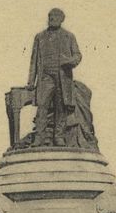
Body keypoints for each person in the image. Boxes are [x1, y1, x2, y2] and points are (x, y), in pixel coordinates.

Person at [27, 8, 82, 146]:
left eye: (56, 16)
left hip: (63, 77)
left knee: (61, 107)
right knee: (42, 106)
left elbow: (77, 56)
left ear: (62, 19)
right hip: (45, 77)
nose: (52, 18)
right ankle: (39, 137)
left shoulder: (69, 36)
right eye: (50, 16)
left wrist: (68, 61)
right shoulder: (40, 37)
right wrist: (30, 81)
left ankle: (59, 136)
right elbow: (34, 60)